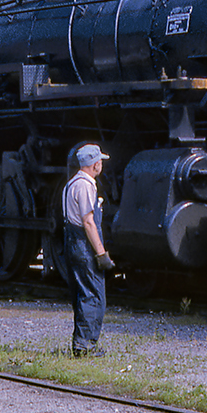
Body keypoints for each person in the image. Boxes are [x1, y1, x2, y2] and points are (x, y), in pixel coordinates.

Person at [63, 143, 115, 356]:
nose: (101, 164)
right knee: (93, 295)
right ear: (95, 164)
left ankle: (81, 342)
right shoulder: (86, 185)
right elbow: (88, 222)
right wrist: (101, 253)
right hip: (84, 246)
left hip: (71, 242)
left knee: (81, 294)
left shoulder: (71, 183)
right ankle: (85, 346)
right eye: (99, 161)